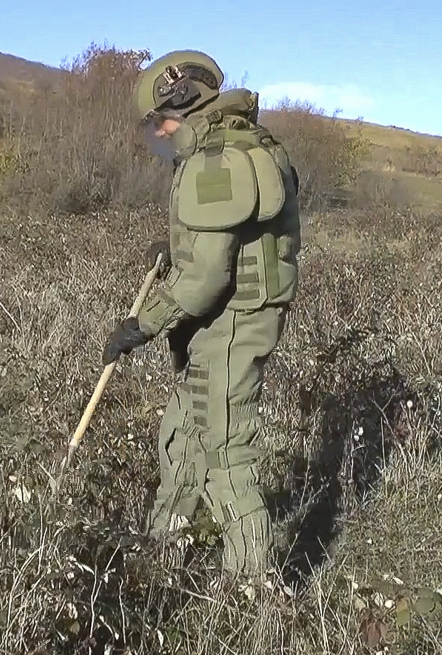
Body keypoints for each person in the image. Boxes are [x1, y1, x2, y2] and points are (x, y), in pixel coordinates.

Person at [102, 50, 301, 587]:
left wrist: (144, 324)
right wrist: (174, 246)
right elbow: (221, 237)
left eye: (159, 122)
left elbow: (209, 275)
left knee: (224, 452)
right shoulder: (247, 145)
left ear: (184, 106)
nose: (158, 134)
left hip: (231, 322)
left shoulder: (217, 159)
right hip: (223, 319)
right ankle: (163, 552)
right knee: (183, 436)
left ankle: (252, 591)